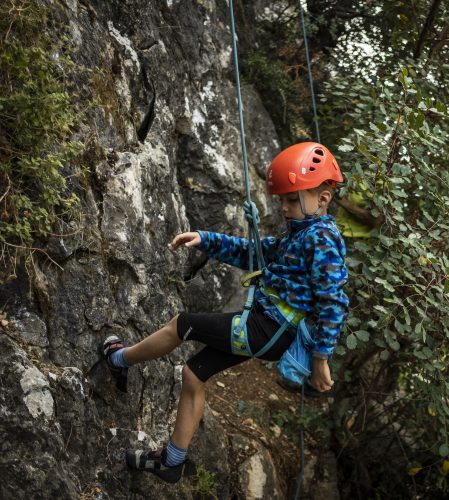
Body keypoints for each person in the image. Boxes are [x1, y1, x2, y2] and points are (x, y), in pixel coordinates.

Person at [99, 142, 349, 483]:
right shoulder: (299, 236)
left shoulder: (321, 239)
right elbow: (252, 253)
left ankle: (118, 360)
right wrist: (204, 239)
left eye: (293, 199)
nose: (285, 207)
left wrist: (321, 359)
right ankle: (172, 460)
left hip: (268, 330)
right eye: (282, 200)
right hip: (266, 329)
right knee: (193, 373)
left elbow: (332, 301)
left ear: (323, 199)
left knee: (182, 325)